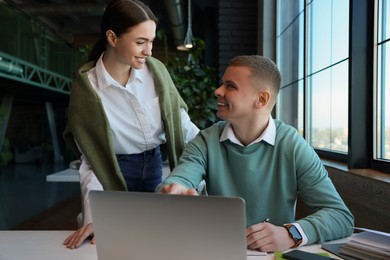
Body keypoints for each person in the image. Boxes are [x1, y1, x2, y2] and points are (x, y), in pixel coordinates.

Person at [157, 55, 354, 252]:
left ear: (261, 99)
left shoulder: (292, 145)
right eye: (221, 84)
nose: (218, 91)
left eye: (230, 86)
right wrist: (172, 192)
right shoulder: (205, 141)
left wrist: (290, 234)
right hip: (218, 251)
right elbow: (179, 181)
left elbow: (340, 216)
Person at [62, 0, 199, 249]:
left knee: (158, 243)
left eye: (152, 41)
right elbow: (93, 161)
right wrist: (95, 217)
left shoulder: (156, 72)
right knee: (115, 245)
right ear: (112, 38)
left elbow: (184, 128)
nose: (148, 51)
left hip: (156, 167)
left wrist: (212, 152)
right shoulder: (87, 90)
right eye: (140, 42)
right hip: (113, 173)